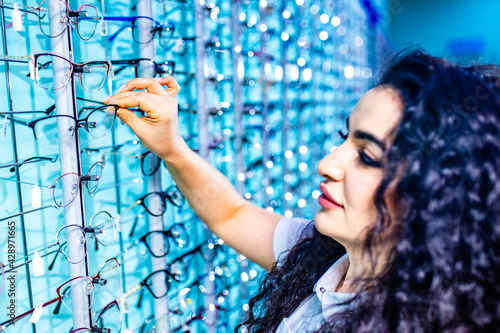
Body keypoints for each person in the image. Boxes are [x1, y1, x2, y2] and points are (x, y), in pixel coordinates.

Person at [103, 49, 500, 332]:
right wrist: (173, 147)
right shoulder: (327, 258)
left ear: (434, 193)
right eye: (345, 137)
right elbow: (231, 214)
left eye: (367, 156)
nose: (327, 164)